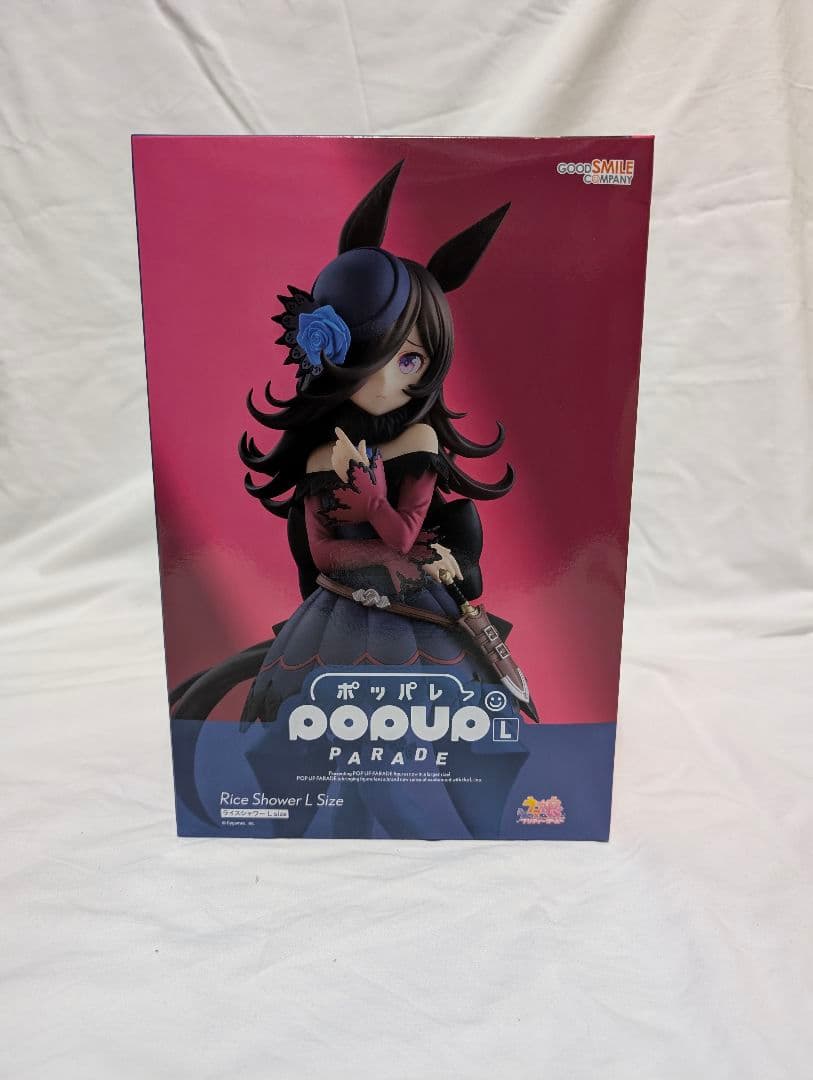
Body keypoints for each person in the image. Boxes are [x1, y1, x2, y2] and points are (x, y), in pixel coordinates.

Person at [171, 160, 536, 837]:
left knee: (435, 735)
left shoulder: (419, 440)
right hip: (338, 609)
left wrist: (371, 506)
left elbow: (402, 537)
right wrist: (357, 541)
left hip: (412, 610)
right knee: (310, 736)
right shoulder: (320, 453)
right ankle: (329, 828)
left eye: (411, 360)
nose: (390, 378)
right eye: (378, 352)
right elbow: (318, 551)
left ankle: (461, 840)